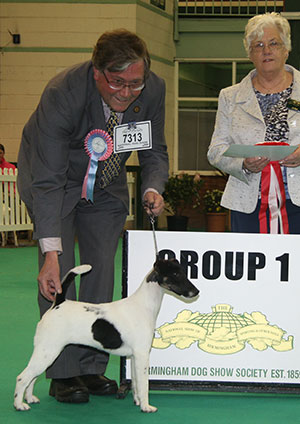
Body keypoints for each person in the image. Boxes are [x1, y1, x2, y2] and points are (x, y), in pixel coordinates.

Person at [17, 29, 169, 404]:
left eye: (135, 83)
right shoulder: (62, 93)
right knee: (61, 272)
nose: (127, 92)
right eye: (117, 82)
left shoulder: (152, 89)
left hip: (107, 185)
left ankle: (91, 366)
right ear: (96, 72)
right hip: (55, 181)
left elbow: (154, 148)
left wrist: (153, 186)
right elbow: (48, 179)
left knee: (101, 266)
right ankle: (64, 373)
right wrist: (50, 253)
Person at [207, 12, 300, 234]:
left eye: (273, 43)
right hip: (247, 205)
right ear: (250, 54)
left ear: (286, 49)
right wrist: (243, 165)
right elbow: (215, 151)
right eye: (258, 45)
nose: (266, 51)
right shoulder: (230, 96)